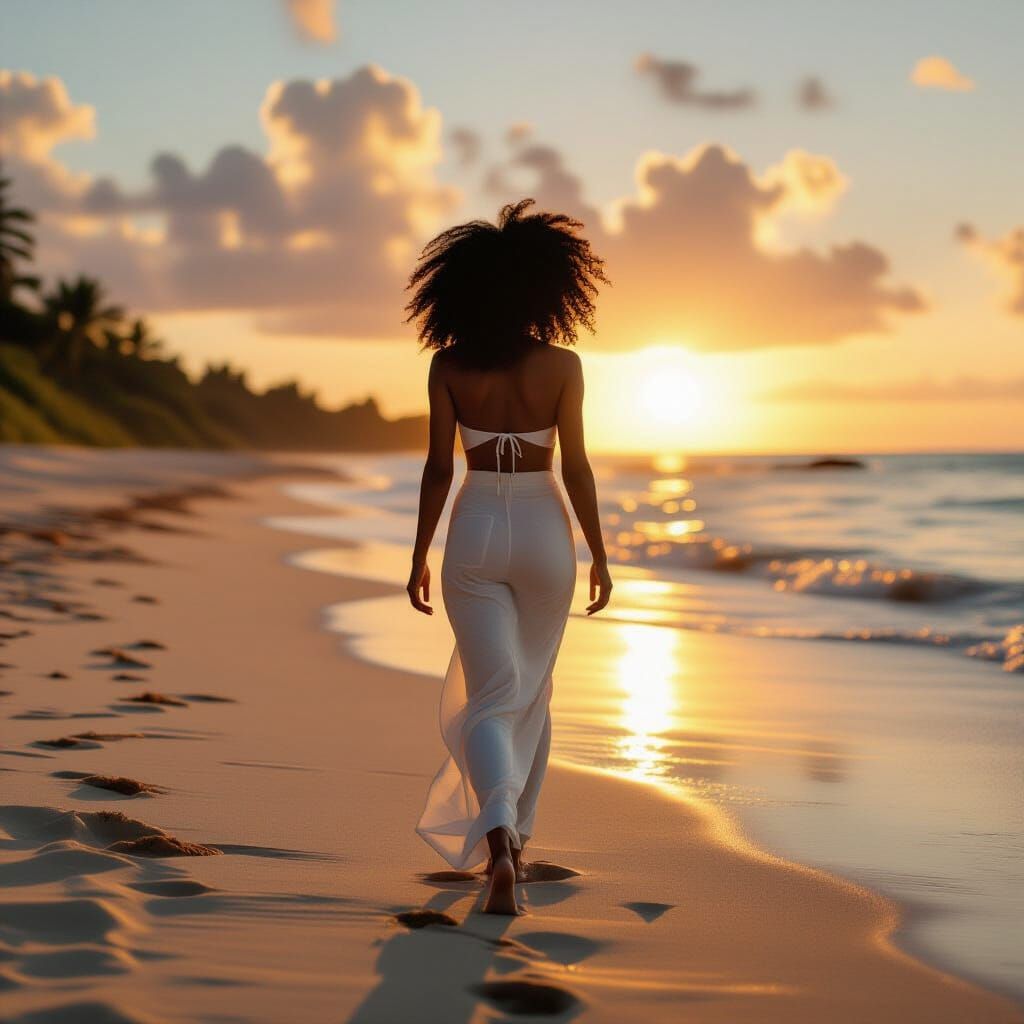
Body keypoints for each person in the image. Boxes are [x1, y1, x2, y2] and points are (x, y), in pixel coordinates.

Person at [405, 198, 612, 915]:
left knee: (494, 696)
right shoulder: (563, 366)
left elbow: (439, 468)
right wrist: (599, 553)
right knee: (533, 689)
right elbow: (577, 467)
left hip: (474, 528)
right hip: (544, 529)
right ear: (546, 290)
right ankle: (512, 841)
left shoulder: (448, 365)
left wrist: (419, 554)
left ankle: (501, 840)